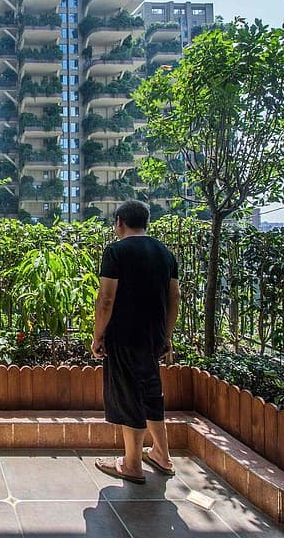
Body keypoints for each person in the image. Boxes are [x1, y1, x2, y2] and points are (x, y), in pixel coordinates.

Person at [92, 200, 180, 484]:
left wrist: (97, 336)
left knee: (129, 396)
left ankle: (131, 464)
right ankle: (162, 456)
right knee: (151, 394)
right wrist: (166, 336)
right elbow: (174, 296)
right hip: (153, 337)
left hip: (124, 337)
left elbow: (106, 299)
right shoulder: (164, 252)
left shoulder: (116, 251)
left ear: (119, 222)